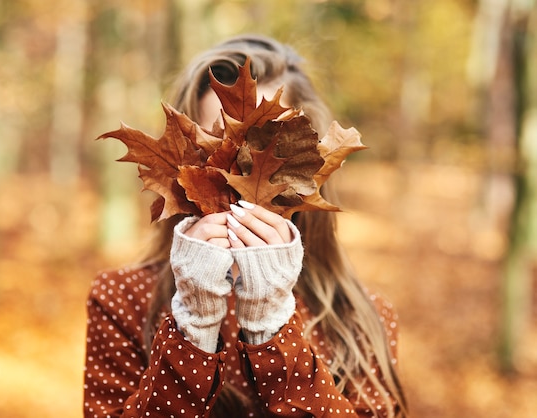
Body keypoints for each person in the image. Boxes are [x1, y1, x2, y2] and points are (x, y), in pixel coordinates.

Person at [83, 34, 408, 417]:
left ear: (312, 167)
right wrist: (194, 326)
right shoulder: (124, 299)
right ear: (179, 169)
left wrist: (273, 325)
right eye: (216, 150)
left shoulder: (360, 318)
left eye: (270, 152)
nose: (240, 178)